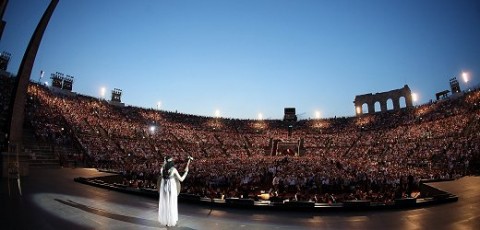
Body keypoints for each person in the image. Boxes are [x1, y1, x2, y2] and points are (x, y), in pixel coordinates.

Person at [158, 155, 192, 227]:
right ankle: (171, 220)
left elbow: (161, 178)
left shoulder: (162, 169)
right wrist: (186, 172)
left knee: (166, 203)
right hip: (171, 188)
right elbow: (181, 179)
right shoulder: (173, 170)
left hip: (165, 188)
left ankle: (167, 221)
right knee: (171, 204)